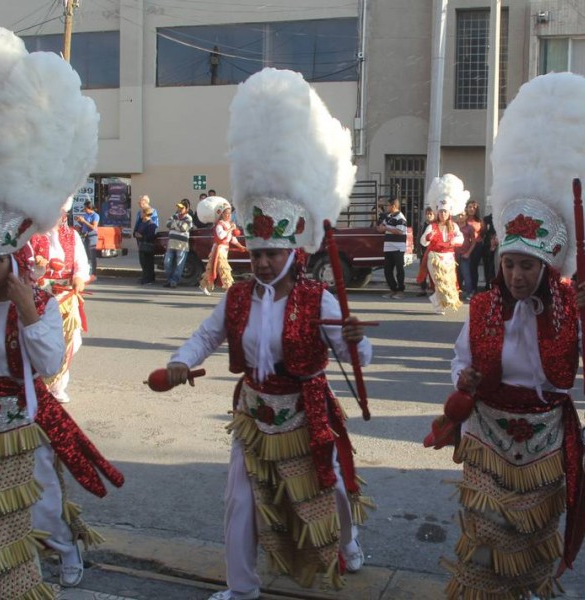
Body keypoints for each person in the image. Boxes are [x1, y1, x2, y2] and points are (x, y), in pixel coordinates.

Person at [163, 68, 372, 600]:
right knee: (238, 498)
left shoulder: (317, 298)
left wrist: (352, 336)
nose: (261, 262)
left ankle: (348, 544)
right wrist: (181, 362)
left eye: (271, 253)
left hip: (306, 410)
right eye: (255, 253)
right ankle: (242, 588)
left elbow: (360, 354)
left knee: (330, 491)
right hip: (253, 412)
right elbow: (206, 336)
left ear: (292, 251)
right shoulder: (237, 296)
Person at [427, 73, 585, 600]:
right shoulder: (484, 307)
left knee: (533, 541)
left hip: (544, 442)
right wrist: (463, 378)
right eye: (510, 263)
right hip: (488, 436)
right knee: (487, 540)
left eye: (528, 266)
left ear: (547, 265)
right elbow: (460, 361)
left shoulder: (568, 304)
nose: (517, 276)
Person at [0, 24, 124, 597]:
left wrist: (28, 305)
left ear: (9, 258)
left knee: (40, 500)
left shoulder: (25, 301)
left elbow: (46, 356)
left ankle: (63, 552)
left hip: (21, 417)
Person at [33, 207, 91, 404]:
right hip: (39, 296)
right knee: (41, 342)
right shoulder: (32, 235)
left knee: (72, 341)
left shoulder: (72, 235)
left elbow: (82, 264)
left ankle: (57, 386)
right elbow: (23, 267)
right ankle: (38, 385)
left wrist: (79, 278)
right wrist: (39, 266)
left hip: (66, 297)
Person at [419, 175, 466, 314]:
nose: (443, 214)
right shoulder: (432, 226)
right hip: (435, 258)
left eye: (445, 211)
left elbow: (461, 239)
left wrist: (454, 241)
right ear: (437, 212)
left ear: (449, 212)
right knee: (439, 282)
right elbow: (423, 241)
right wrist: (428, 237)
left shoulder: (454, 226)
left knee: (448, 283)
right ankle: (438, 305)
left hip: (449, 259)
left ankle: (437, 301)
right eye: (441, 211)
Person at [199, 201, 245, 295]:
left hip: (225, 250)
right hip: (218, 250)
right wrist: (230, 229)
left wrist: (240, 246)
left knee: (211, 268)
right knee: (224, 269)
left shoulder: (229, 224)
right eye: (226, 213)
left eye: (229, 214)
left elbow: (231, 238)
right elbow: (221, 236)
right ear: (222, 214)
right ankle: (229, 289)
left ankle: (203, 285)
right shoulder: (220, 224)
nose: (228, 215)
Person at [378, 197, 407, 298]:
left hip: (398, 248)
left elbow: (399, 231)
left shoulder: (401, 218)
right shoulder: (388, 216)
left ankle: (400, 291)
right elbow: (380, 228)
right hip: (388, 248)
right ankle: (393, 289)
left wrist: (386, 228)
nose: (387, 207)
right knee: (387, 270)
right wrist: (383, 227)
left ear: (393, 206)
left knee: (399, 270)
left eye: (388, 205)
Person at [163, 198, 193, 288]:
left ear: (187, 209)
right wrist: (178, 225)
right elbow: (167, 224)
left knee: (179, 264)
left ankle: (174, 281)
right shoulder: (174, 215)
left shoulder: (188, 218)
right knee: (167, 262)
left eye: (182, 208)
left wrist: (174, 224)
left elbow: (184, 228)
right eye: (179, 207)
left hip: (182, 244)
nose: (180, 210)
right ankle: (169, 280)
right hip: (171, 242)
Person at [458, 199, 483, 298]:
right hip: (464, 247)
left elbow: (483, 233)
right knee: (462, 269)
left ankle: (474, 289)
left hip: (476, 246)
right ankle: (462, 289)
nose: (472, 209)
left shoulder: (480, 221)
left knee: (473, 268)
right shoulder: (463, 219)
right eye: (470, 207)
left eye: (474, 207)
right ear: (466, 208)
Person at [74, 200, 99, 277]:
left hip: (92, 236)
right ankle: (86, 271)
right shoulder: (85, 215)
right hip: (85, 236)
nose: (84, 210)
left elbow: (93, 227)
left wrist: (84, 221)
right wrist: (79, 221)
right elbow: (84, 225)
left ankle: (94, 273)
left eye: (85, 208)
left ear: (89, 208)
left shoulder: (95, 216)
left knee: (92, 254)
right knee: (85, 254)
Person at [135, 205, 158, 285]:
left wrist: (142, 236)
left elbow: (151, 236)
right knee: (143, 262)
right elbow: (136, 231)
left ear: (145, 213)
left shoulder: (151, 224)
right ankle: (145, 277)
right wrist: (136, 234)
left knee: (148, 263)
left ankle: (149, 279)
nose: (141, 214)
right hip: (141, 245)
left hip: (148, 246)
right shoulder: (142, 222)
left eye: (142, 212)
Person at [415, 206, 435, 296]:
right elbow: (419, 237)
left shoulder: (435, 226)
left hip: (433, 252)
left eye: (431, 214)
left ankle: (433, 289)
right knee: (422, 271)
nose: (429, 216)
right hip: (423, 251)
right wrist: (417, 249)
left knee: (433, 272)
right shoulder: (422, 225)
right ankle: (422, 289)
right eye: (427, 214)